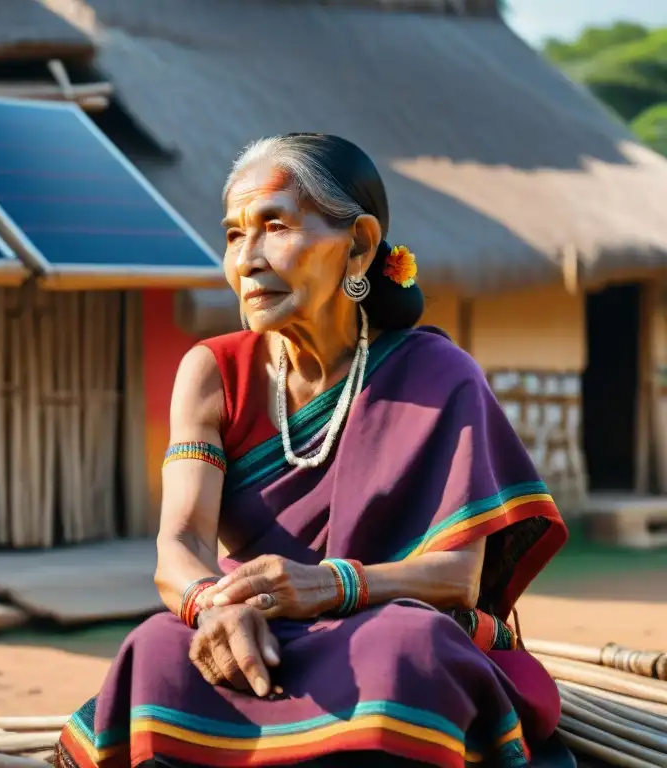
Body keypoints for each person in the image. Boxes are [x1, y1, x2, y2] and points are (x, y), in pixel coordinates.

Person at [55, 134, 569, 768]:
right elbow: (180, 545)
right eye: (234, 235)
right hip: (260, 629)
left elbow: (456, 579)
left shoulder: (440, 374)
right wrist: (214, 607)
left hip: (383, 619)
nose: (247, 260)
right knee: (159, 647)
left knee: (407, 651)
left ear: (357, 246)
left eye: (274, 227)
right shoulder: (211, 373)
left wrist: (327, 586)